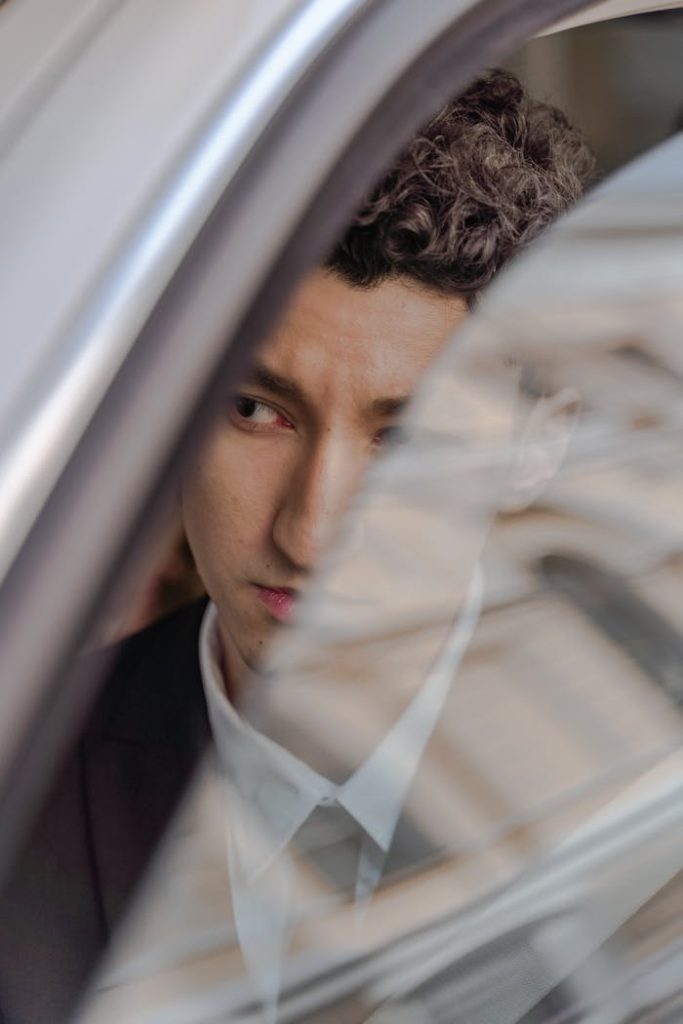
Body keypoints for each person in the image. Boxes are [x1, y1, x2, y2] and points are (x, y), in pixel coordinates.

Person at [0, 69, 594, 1024]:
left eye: (407, 437)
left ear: (537, 445)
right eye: (255, 410)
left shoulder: (651, 794)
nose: (309, 533)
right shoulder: (22, 762)